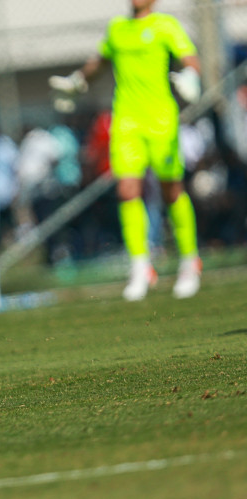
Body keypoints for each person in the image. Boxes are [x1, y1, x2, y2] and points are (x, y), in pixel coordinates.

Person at [49, 0, 202, 300]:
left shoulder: (165, 25)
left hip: (161, 122)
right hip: (126, 122)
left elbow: (191, 60)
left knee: (171, 189)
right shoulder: (117, 29)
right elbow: (98, 62)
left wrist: (190, 77)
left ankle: (189, 261)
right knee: (127, 190)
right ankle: (141, 266)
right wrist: (77, 82)